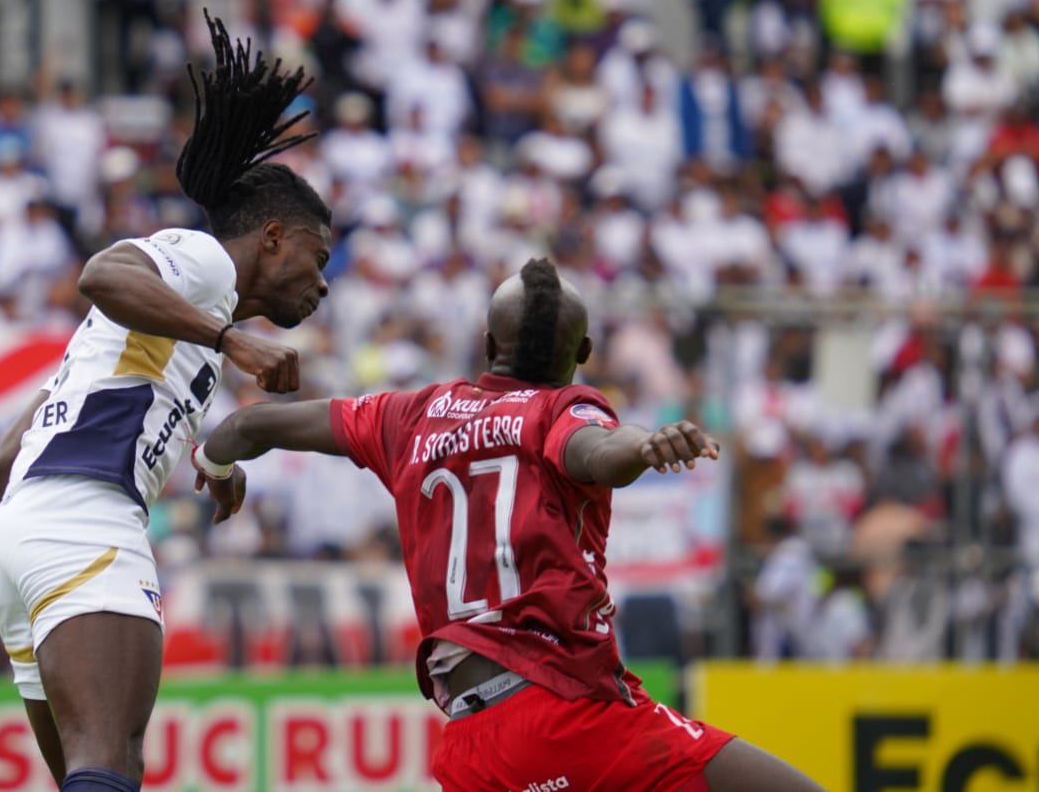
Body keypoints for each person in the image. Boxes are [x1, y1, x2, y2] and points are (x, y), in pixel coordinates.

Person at [194, 258, 824, 792]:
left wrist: (216, 467)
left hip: (470, 744)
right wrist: (644, 447)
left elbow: (249, 427)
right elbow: (595, 449)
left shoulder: (410, 414)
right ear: (582, 355)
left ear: (489, 344)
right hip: (566, 714)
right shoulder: (563, 409)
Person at [0, 12, 333, 792]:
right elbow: (102, 271)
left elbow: (8, 457)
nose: (324, 281)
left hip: (20, 539)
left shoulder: (170, 336)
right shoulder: (204, 262)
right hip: (83, 525)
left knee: (92, 775)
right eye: (318, 254)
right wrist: (233, 342)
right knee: (110, 763)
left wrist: (213, 459)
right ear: (272, 235)